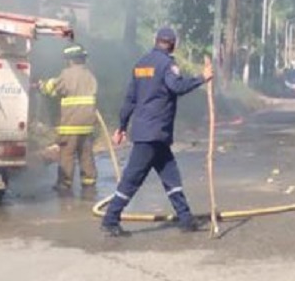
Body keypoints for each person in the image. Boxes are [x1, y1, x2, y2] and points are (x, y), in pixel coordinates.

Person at [100, 27, 213, 237]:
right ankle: (110, 219)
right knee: (131, 180)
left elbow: (129, 100)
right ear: (173, 44)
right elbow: (176, 87)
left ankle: (186, 219)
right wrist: (201, 78)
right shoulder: (167, 65)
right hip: (154, 134)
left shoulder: (141, 64)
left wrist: (122, 127)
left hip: (149, 134)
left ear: (155, 40)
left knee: (172, 178)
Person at [39, 44, 99, 199]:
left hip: (70, 126)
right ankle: (89, 183)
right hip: (87, 126)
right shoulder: (90, 76)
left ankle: (64, 184)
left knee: (67, 156)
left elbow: (52, 89)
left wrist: (42, 85)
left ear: (70, 60)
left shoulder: (66, 75)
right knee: (86, 155)